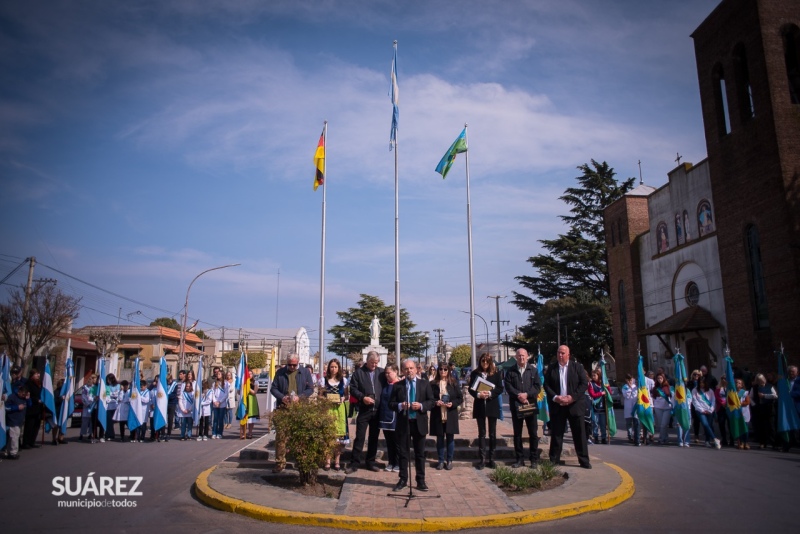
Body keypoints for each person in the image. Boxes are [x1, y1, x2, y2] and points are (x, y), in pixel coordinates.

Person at [543, 345, 591, 469]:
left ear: (568, 355)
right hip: (558, 406)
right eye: (559, 352)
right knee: (557, 434)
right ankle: (554, 460)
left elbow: (584, 384)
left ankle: (584, 460)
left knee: (579, 434)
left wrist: (572, 397)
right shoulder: (552, 368)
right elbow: (546, 385)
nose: (560, 355)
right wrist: (555, 397)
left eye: (563, 353)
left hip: (574, 406)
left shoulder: (577, 367)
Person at [390, 360, 435, 492]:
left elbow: (431, 401)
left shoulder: (424, 384)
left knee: (419, 453)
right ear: (402, 371)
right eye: (406, 369)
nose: (409, 371)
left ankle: (420, 480)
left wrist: (421, 406)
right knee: (403, 453)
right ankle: (403, 479)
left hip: (419, 422)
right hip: (404, 423)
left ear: (416, 369)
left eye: (411, 368)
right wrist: (400, 405)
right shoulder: (398, 386)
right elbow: (390, 404)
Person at [270, 353, 315, 472]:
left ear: (298, 363)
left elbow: (310, 389)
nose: (292, 367)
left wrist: (300, 397)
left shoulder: (305, 372)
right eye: (289, 365)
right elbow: (273, 388)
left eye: (294, 365)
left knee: (301, 436)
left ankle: (301, 461)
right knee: (281, 436)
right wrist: (282, 397)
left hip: (300, 409)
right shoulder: (280, 372)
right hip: (283, 408)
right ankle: (280, 463)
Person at [346, 351, 385, 474]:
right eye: (372, 363)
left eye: (376, 363)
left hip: (377, 410)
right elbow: (352, 389)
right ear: (367, 361)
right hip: (364, 409)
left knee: (374, 437)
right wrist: (363, 397)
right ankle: (354, 463)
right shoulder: (358, 373)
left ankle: (371, 462)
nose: (374, 365)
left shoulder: (381, 372)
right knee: (360, 437)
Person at [505, 348, 543, 467]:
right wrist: (518, 395)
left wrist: (527, 394)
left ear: (527, 357)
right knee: (517, 434)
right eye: (519, 355)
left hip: (530, 405)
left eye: (523, 355)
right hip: (516, 405)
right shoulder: (510, 371)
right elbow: (508, 386)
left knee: (533, 433)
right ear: (516, 357)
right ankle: (519, 459)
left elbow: (537, 386)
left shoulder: (533, 370)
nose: (521, 357)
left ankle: (534, 459)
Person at [468, 353, 504, 469]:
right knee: (482, 433)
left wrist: (490, 393)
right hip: (480, 405)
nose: (484, 363)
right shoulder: (475, 373)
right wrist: (478, 394)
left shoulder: (496, 373)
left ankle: (492, 458)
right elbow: (471, 388)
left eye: (487, 361)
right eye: (483, 361)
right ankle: (482, 459)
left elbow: (500, 388)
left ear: (490, 362)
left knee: (492, 433)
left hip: (491, 404)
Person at [430, 364, 462, 470]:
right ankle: (440, 460)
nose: (443, 371)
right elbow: (429, 398)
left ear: (448, 371)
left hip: (450, 413)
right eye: (441, 369)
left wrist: (452, 404)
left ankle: (449, 460)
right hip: (438, 414)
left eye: (445, 369)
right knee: (439, 438)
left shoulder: (453, 383)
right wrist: (436, 402)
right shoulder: (433, 384)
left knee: (450, 438)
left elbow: (460, 398)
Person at [321, 359, 348, 471]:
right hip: (328, 409)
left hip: (340, 410)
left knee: (339, 437)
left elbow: (347, 396)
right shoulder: (324, 380)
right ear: (329, 368)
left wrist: (343, 398)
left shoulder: (344, 381)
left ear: (339, 368)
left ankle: (337, 461)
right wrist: (326, 399)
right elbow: (320, 396)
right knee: (328, 435)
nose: (333, 369)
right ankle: (328, 461)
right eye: (331, 367)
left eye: (335, 367)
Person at [378, 363, 401, 472]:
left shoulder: (400, 385)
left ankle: (398, 463)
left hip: (395, 418)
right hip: (385, 417)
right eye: (386, 373)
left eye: (389, 373)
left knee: (397, 442)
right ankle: (391, 462)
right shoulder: (384, 384)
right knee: (389, 442)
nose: (387, 375)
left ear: (396, 372)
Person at [692, 377, 721, 449]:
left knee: (709, 425)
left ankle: (707, 441)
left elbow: (713, 400)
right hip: (700, 410)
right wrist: (702, 410)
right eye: (700, 383)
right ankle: (715, 439)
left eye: (703, 383)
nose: (702, 384)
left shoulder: (710, 390)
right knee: (705, 424)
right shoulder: (695, 390)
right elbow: (695, 401)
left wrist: (711, 410)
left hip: (709, 410)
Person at [750, 373, 777, 449]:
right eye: (758, 381)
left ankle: (773, 443)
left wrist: (764, 396)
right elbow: (750, 397)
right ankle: (762, 442)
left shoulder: (770, 386)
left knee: (771, 427)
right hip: (759, 409)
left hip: (769, 409)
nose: (760, 382)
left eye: (761, 380)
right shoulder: (754, 388)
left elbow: (775, 396)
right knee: (761, 426)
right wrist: (754, 405)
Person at [4, 384, 30, 459]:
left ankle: (9, 451)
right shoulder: (12, 397)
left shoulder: (24, 398)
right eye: (23, 394)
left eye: (25, 394)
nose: (23, 395)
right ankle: (13, 453)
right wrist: (17, 407)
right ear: (19, 391)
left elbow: (30, 405)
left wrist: (28, 399)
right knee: (14, 436)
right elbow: (7, 407)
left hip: (20, 420)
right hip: (13, 420)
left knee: (13, 437)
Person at [21, 369, 43, 449]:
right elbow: (27, 395)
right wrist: (36, 400)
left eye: (38, 374)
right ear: (32, 375)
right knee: (29, 425)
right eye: (36, 374)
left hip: (39, 408)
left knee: (36, 426)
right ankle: (25, 442)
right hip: (31, 408)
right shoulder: (28, 383)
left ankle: (32, 442)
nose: (38, 375)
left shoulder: (40, 383)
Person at [587, 369, 609, 445]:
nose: (593, 377)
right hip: (595, 407)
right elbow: (592, 394)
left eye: (594, 375)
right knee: (595, 423)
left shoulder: (603, 384)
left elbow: (609, 392)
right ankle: (596, 437)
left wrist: (607, 387)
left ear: (598, 375)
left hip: (602, 407)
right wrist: (601, 393)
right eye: (592, 375)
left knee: (603, 424)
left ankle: (603, 437)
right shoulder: (591, 384)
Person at [651, 372, 673, 445]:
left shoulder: (667, 387)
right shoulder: (655, 388)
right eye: (658, 378)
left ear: (663, 378)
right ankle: (665, 438)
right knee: (661, 424)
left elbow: (671, 397)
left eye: (661, 378)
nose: (659, 380)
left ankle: (661, 438)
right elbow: (653, 397)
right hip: (658, 407)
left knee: (664, 424)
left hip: (667, 407)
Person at [165, 370, 185, 441]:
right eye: (167, 380)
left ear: (171, 378)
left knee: (170, 419)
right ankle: (162, 433)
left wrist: (167, 397)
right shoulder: (165, 385)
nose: (168, 381)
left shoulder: (174, 385)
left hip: (172, 403)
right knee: (164, 418)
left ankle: (168, 434)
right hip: (165, 403)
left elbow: (174, 395)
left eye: (169, 380)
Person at [621, 374, 639, 445]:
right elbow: (626, 396)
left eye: (631, 380)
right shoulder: (624, 387)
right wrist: (629, 388)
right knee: (629, 423)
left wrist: (632, 388)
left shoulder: (636, 387)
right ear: (626, 380)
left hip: (635, 406)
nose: (630, 382)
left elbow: (636, 395)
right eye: (628, 380)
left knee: (636, 422)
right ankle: (630, 436)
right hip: (628, 407)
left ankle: (636, 436)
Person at [210, 372, 228, 439]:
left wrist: (220, 402)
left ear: (222, 375)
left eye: (219, 374)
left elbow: (226, 394)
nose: (218, 375)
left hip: (222, 404)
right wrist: (214, 401)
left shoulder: (225, 384)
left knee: (220, 419)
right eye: (217, 374)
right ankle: (214, 432)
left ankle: (220, 433)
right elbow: (212, 392)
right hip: (215, 404)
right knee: (215, 419)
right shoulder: (214, 384)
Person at [79, 374, 96, 442]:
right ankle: (82, 434)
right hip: (86, 407)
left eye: (91, 380)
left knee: (91, 422)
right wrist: (87, 403)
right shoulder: (85, 388)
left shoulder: (94, 388)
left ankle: (90, 434)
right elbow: (83, 397)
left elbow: (95, 396)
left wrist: (92, 402)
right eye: (89, 380)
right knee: (84, 422)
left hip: (92, 406)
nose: (90, 381)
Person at [735, 378, 751, 450]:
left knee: (745, 428)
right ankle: (740, 442)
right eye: (736, 383)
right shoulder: (733, 393)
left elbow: (747, 402)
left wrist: (739, 403)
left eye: (739, 383)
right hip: (737, 413)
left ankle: (746, 442)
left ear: (742, 385)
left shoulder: (744, 392)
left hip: (744, 412)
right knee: (739, 428)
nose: (737, 384)